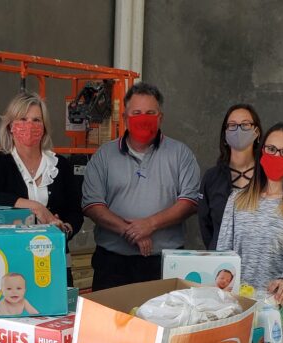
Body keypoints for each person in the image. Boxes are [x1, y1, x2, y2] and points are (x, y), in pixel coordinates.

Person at [82, 82, 200, 290]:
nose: (143, 118)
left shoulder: (181, 154)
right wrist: (131, 231)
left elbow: (189, 202)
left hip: (164, 265)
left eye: (150, 113)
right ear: (125, 118)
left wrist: (150, 224)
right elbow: (92, 205)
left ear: (160, 117)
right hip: (112, 265)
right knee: (107, 322)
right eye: (136, 113)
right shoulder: (104, 155)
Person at [0, 91, 83, 285]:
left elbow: (75, 211)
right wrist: (35, 207)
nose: (30, 126)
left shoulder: (60, 164)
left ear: (44, 127)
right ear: (10, 126)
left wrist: (65, 230)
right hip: (12, 259)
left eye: (37, 120)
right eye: (23, 119)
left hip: (54, 258)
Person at [217, 122, 283, 305]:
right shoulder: (236, 200)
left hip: (273, 305)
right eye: (271, 149)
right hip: (234, 304)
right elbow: (223, 254)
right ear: (262, 151)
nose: (277, 155)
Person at [198, 104, 262, 249]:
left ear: (256, 132)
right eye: (232, 125)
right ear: (225, 134)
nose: (238, 130)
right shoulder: (212, 177)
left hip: (259, 265)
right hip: (221, 264)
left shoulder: (267, 176)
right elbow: (205, 225)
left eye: (245, 124)